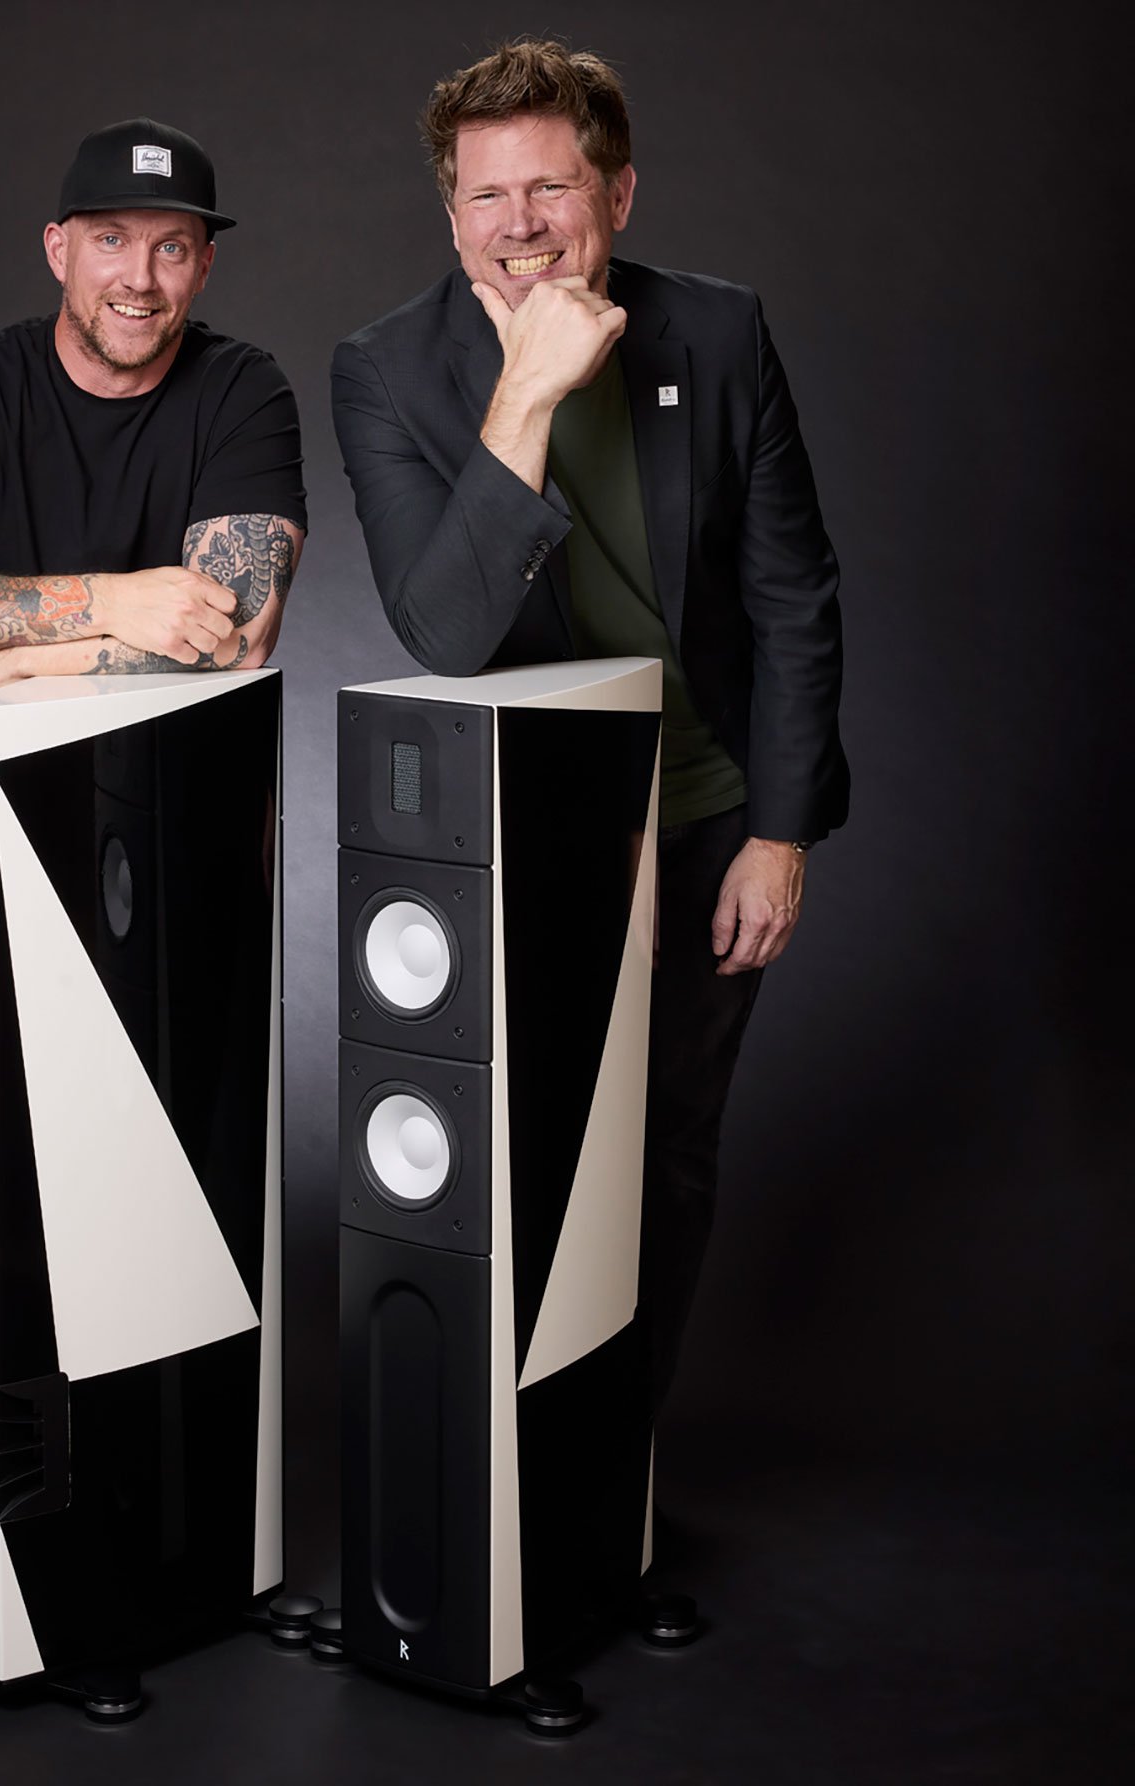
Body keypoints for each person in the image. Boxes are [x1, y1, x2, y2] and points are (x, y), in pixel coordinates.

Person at [331, 41, 847, 1408]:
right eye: (486, 197)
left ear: (618, 193)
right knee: (527, 1146)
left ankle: (619, 1468)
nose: (520, 225)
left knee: (665, 1147)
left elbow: (791, 597)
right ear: (453, 217)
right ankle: (508, 1467)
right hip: (526, 834)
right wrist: (528, 391)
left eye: (551, 188)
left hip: (708, 817)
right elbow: (446, 630)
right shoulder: (385, 369)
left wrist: (780, 835)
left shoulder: (715, 334)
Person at [0, 118, 307, 1153]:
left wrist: (11, 661)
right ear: (58, 248)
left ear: (204, 265)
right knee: (12, 1138)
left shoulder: (243, 392)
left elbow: (235, 639)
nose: (138, 278)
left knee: (180, 1142)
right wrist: (108, 599)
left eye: (171, 246)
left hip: (178, 831)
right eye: (110, 240)